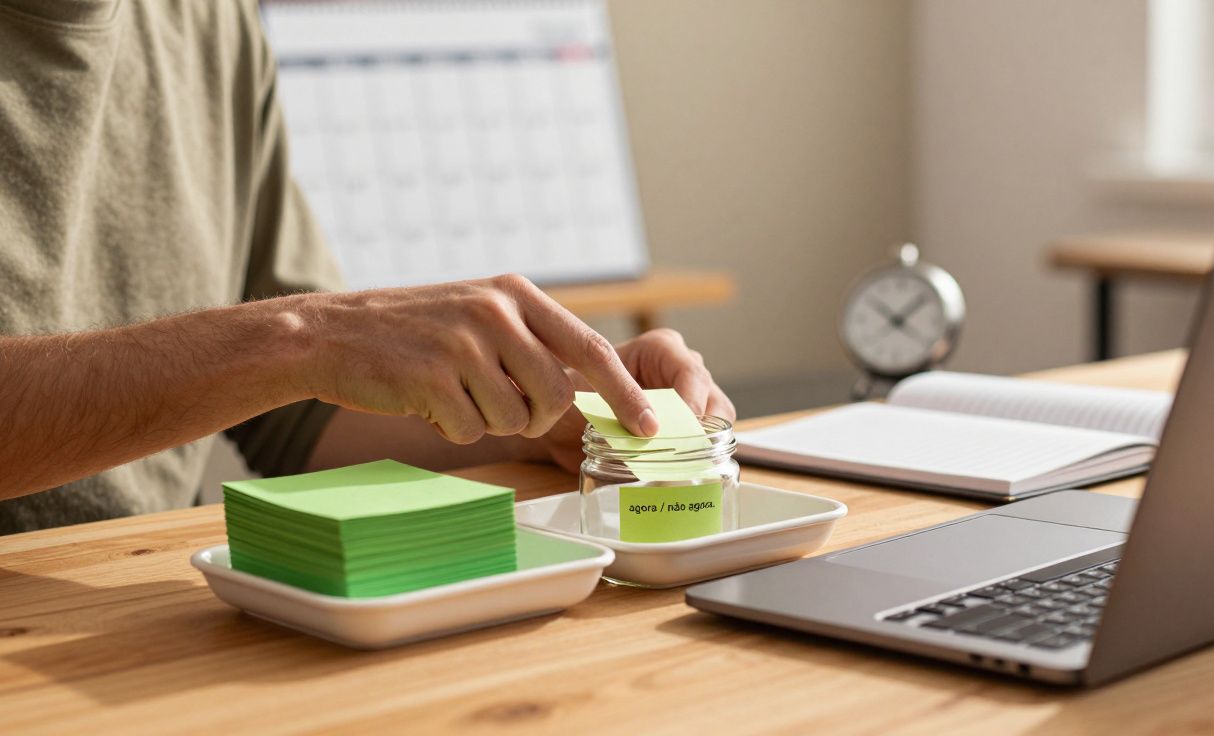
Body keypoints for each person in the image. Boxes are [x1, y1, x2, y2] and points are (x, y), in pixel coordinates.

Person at [0, 0, 733, 534]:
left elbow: (295, 413)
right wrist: (299, 339)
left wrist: (536, 414)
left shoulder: (212, 24)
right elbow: (294, 356)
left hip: (143, 606)